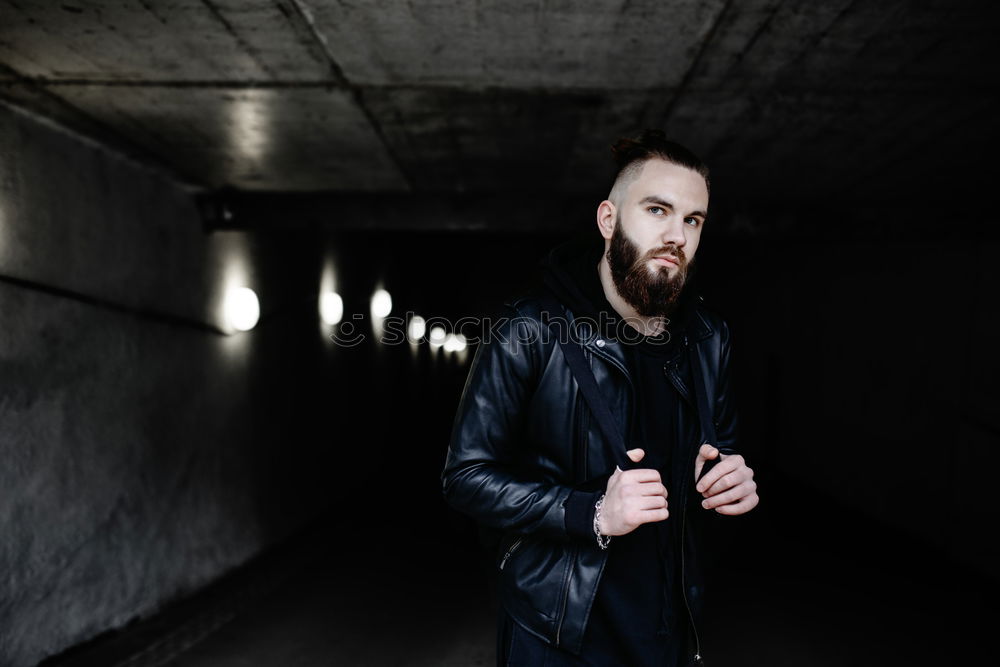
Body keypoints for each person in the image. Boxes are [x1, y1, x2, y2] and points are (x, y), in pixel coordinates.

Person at [441, 130, 759, 666]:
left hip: (668, 631)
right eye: (657, 210)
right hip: (556, 631)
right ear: (609, 219)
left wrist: (734, 485)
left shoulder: (710, 337)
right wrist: (589, 512)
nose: (676, 235)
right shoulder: (529, 328)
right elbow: (466, 476)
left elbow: (718, 457)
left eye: (692, 220)